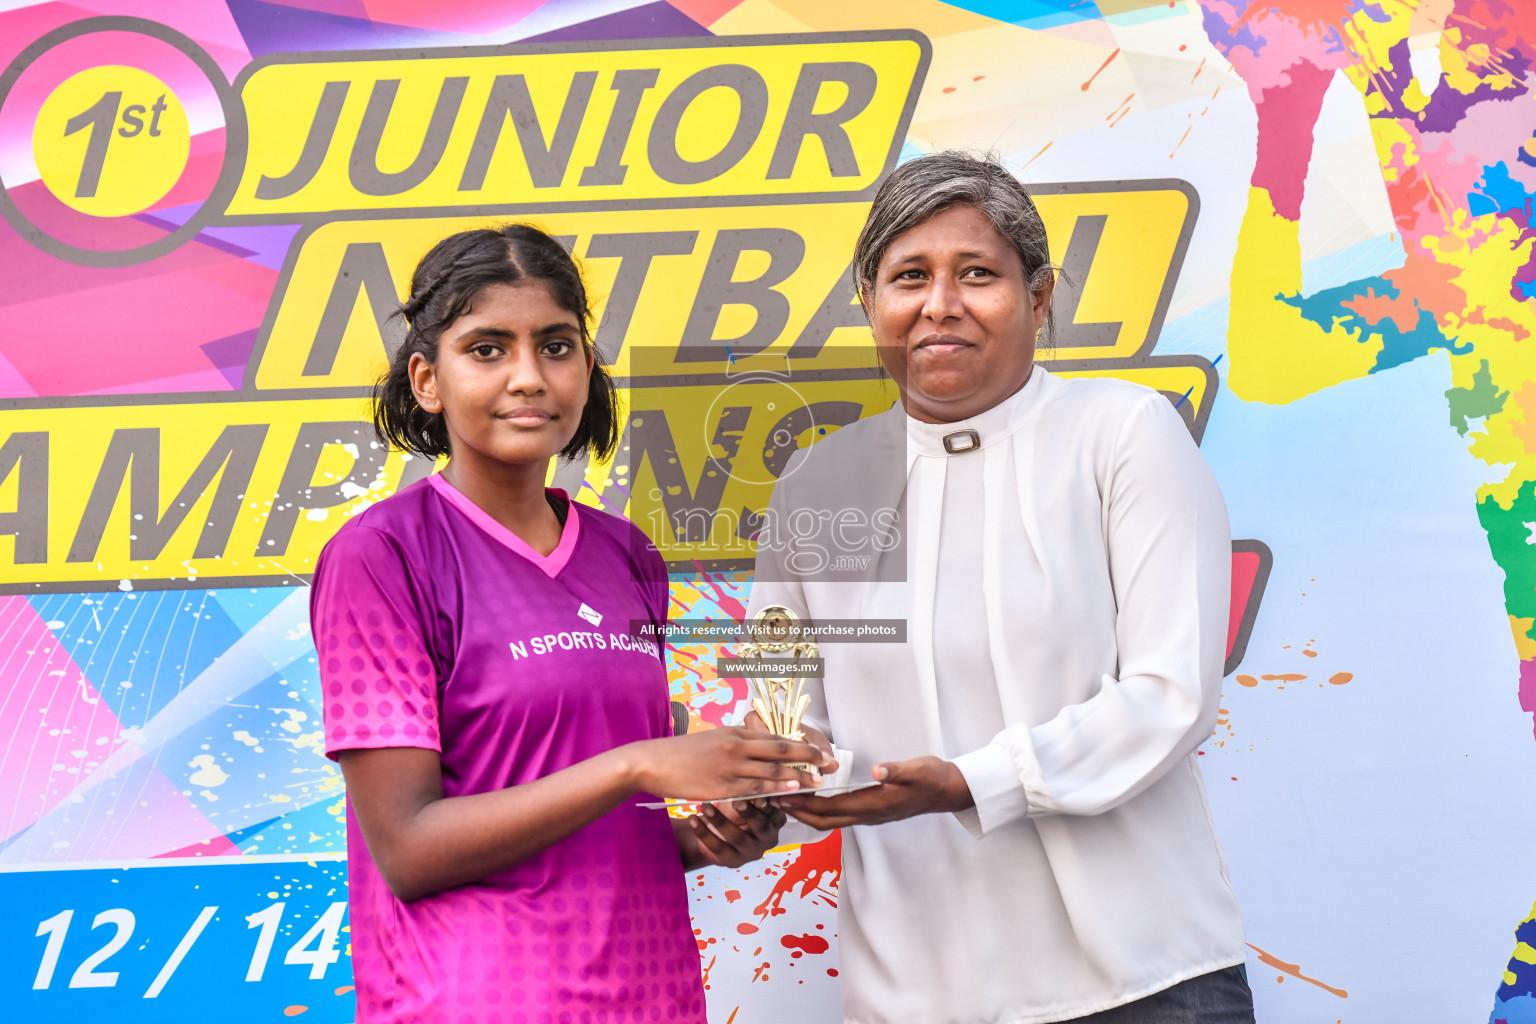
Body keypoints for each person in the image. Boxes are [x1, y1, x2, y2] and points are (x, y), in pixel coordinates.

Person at [749, 153, 1255, 1023]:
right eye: (909, 277)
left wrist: (969, 781)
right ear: (868, 301)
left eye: (977, 274)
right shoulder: (813, 487)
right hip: (915, 991)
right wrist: (755, 791)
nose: (940, 304)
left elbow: (1169, 695)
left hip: (1145, 979)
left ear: (1040, 296)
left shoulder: (1122, 433)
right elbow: (785, 709)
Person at [312, 224, 834, 1024]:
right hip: (478, 1003)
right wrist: (640, 766)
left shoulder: (627, 555)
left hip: (651, 998)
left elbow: (600, 828)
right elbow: (410, 849)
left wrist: (706, 834)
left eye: (555, 346)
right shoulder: (381, 555)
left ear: (587, 370)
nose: (529, 377)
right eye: (487, 349)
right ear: (426, 379)